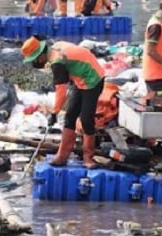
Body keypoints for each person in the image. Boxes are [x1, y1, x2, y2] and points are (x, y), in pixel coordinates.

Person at [21, 36, 105, 169]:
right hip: (79, 80)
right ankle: (62, 155)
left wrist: (54, 112)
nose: (35, 63)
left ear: (41, 55)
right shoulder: (56, 46)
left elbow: (61, 91)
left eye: (35, 59)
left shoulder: (57, 62)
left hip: (93, 80)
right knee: (70, 116)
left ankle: (88, 157)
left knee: (86, 119)